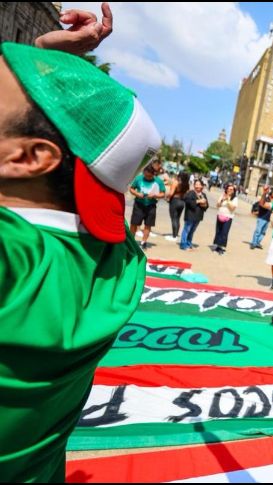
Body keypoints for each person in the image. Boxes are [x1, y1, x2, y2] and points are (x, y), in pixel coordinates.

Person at [0, 10, 162, 481]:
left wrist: (43, 56)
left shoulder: (13, 259)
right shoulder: (118, 267)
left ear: (30, 157)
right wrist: (45, 65)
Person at [129, 164, 165, 250]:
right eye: (146, 175)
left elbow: (163, 194)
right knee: (134, 223)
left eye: (150, 176)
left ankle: (143, 242)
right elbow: (131, 188)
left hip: (151, 205)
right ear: (144, 172)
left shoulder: (158, 181)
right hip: (139, 204)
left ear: (154, 174)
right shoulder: (138, 178)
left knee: (148, 225)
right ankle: (131, 242)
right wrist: (137, 194)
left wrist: (155, 195)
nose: (148, 177)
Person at [179, 180, 208, 251]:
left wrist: (204, 204)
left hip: (198, 216)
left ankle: (189, 243)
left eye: (199, 184)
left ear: (202, 186)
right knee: (186, 230)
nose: (197, 186)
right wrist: (198, 201)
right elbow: (187, 201)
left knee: (192, 230)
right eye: (196, 184)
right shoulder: (191, 193)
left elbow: (206, 206)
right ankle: (183, 245)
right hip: (190, 215)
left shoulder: (203, 195)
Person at [213, 183, 237, 255]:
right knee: (218, 231)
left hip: (228, 217)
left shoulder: (235, 198)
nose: (230, 190)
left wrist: (228, 200)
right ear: (226, 189)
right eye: (229, 189)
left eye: (232, 189)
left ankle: (221, 248)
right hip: (220, 215)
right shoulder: (222, 196)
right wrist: (222, 200)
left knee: (224, 233)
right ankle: (217, 246)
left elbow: (232, 208)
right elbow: (217, 205)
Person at [165, 171, 189, 242]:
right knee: (178, 218)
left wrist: (166, 196)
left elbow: (171, 193)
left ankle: (174, 236)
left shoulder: (176, 183)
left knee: (174, 218)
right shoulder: (187, 184)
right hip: (182, 202)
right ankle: (176, 234)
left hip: (175, 201)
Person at [250, 184, 273, 249]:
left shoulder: (270, 199)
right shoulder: (264, 197)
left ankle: (257, 243)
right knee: (258, 231)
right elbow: (261, 202)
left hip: (267, 219)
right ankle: (253, 243)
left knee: (263, 232)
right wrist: (264, 193)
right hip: (262, 218)